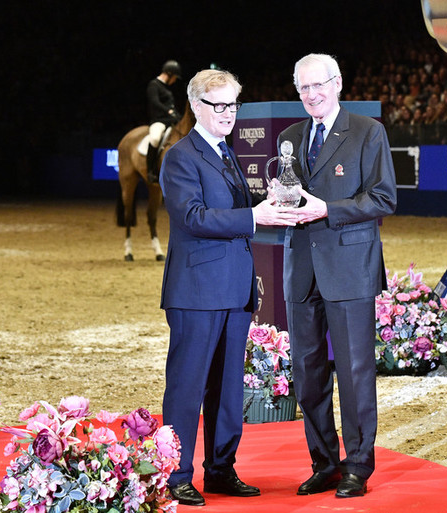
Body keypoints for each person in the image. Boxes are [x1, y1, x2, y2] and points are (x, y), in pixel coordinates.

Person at [159, 68, 298, 507]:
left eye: (233, 105)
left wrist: (269, 203)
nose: (227, 114)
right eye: (218, 105)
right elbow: (194, 218)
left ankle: (220, 469)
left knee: (226, 390)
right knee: (187, 387)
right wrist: (256, 216)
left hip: (235, 291)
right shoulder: (180, 156)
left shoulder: (226, 152)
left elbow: (235, 214)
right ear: (197, 107)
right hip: (196, 293)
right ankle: (176, 473)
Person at [276, 53, 397, 498]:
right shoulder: (289, 137)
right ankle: (324, 462)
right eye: (303, 88)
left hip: (350, 269)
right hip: (301, 271)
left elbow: (384, 199)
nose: (311, 95)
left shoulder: (368, 132)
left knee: (354, 373)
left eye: (318, 85)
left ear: (338, 83)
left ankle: (357, 466)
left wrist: (328, 209)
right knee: (308, 375)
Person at [146, 59, 181, 183]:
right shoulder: (154, 85)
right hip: (159, 121)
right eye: (175, 77)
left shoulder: (167, 89)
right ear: (169, 74)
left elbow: (171, 107)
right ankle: (150, 170)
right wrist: (168, 111)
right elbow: (155, 103)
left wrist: (176, 114)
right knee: (155, 138)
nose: (175, 80)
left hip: (170, 121)